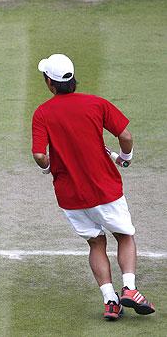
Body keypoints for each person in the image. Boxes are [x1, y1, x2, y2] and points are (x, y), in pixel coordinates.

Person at [31, 53, 155, 321]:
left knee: (96, 243)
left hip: (70, 196)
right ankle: (130, 290)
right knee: (124, 236)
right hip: (105, 189)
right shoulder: (96, 104)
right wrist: (125, 158)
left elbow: (40, 155)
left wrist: (47, 168)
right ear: (72, 80)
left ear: (50, 84)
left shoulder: (42, 113)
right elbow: (125, 135)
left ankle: (111, 300)